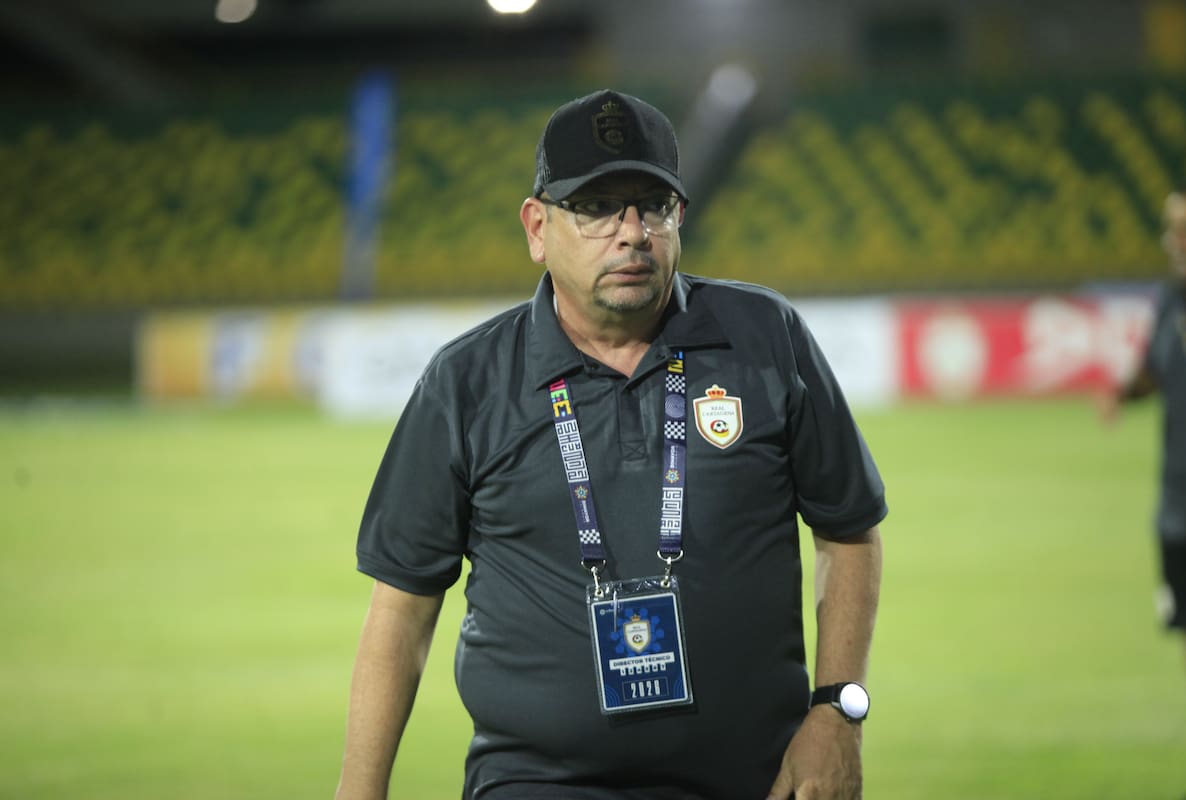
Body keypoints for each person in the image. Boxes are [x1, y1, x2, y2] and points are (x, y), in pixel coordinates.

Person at [335, 89, 887, 800]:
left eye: (652, 204)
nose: (632, 232)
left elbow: (850, 533)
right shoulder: (467, 382)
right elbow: (401, 611)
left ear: (679, 217)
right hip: (538, 782)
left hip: (756, 778)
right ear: (537, 227)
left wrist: (837, 712)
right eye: (596, 207)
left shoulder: (765, 337)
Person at [1098, 179, 1186, 800]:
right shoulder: (1169, 303)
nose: (1175, 242)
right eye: (1172, 229)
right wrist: (1123, 393)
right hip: (1182, 512)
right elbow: (1156, 374)